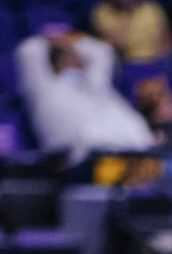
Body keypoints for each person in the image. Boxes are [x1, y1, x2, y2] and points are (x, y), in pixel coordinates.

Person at [16, 26, 155, 158]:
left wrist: (73, 40)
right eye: (69, 54)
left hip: (130, 154)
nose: (77, 57)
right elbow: (28, 51)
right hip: (79, 159)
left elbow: (102, 51)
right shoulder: (43, 88)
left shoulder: (95, 85)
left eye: (77, 53)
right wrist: (53, 39)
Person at [91, 0, 172, 60]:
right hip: (128, 64)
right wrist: (127, 13)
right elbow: (118, 42)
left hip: (159, 61)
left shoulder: (152, 8)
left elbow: (166, 38)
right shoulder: (102, 12)